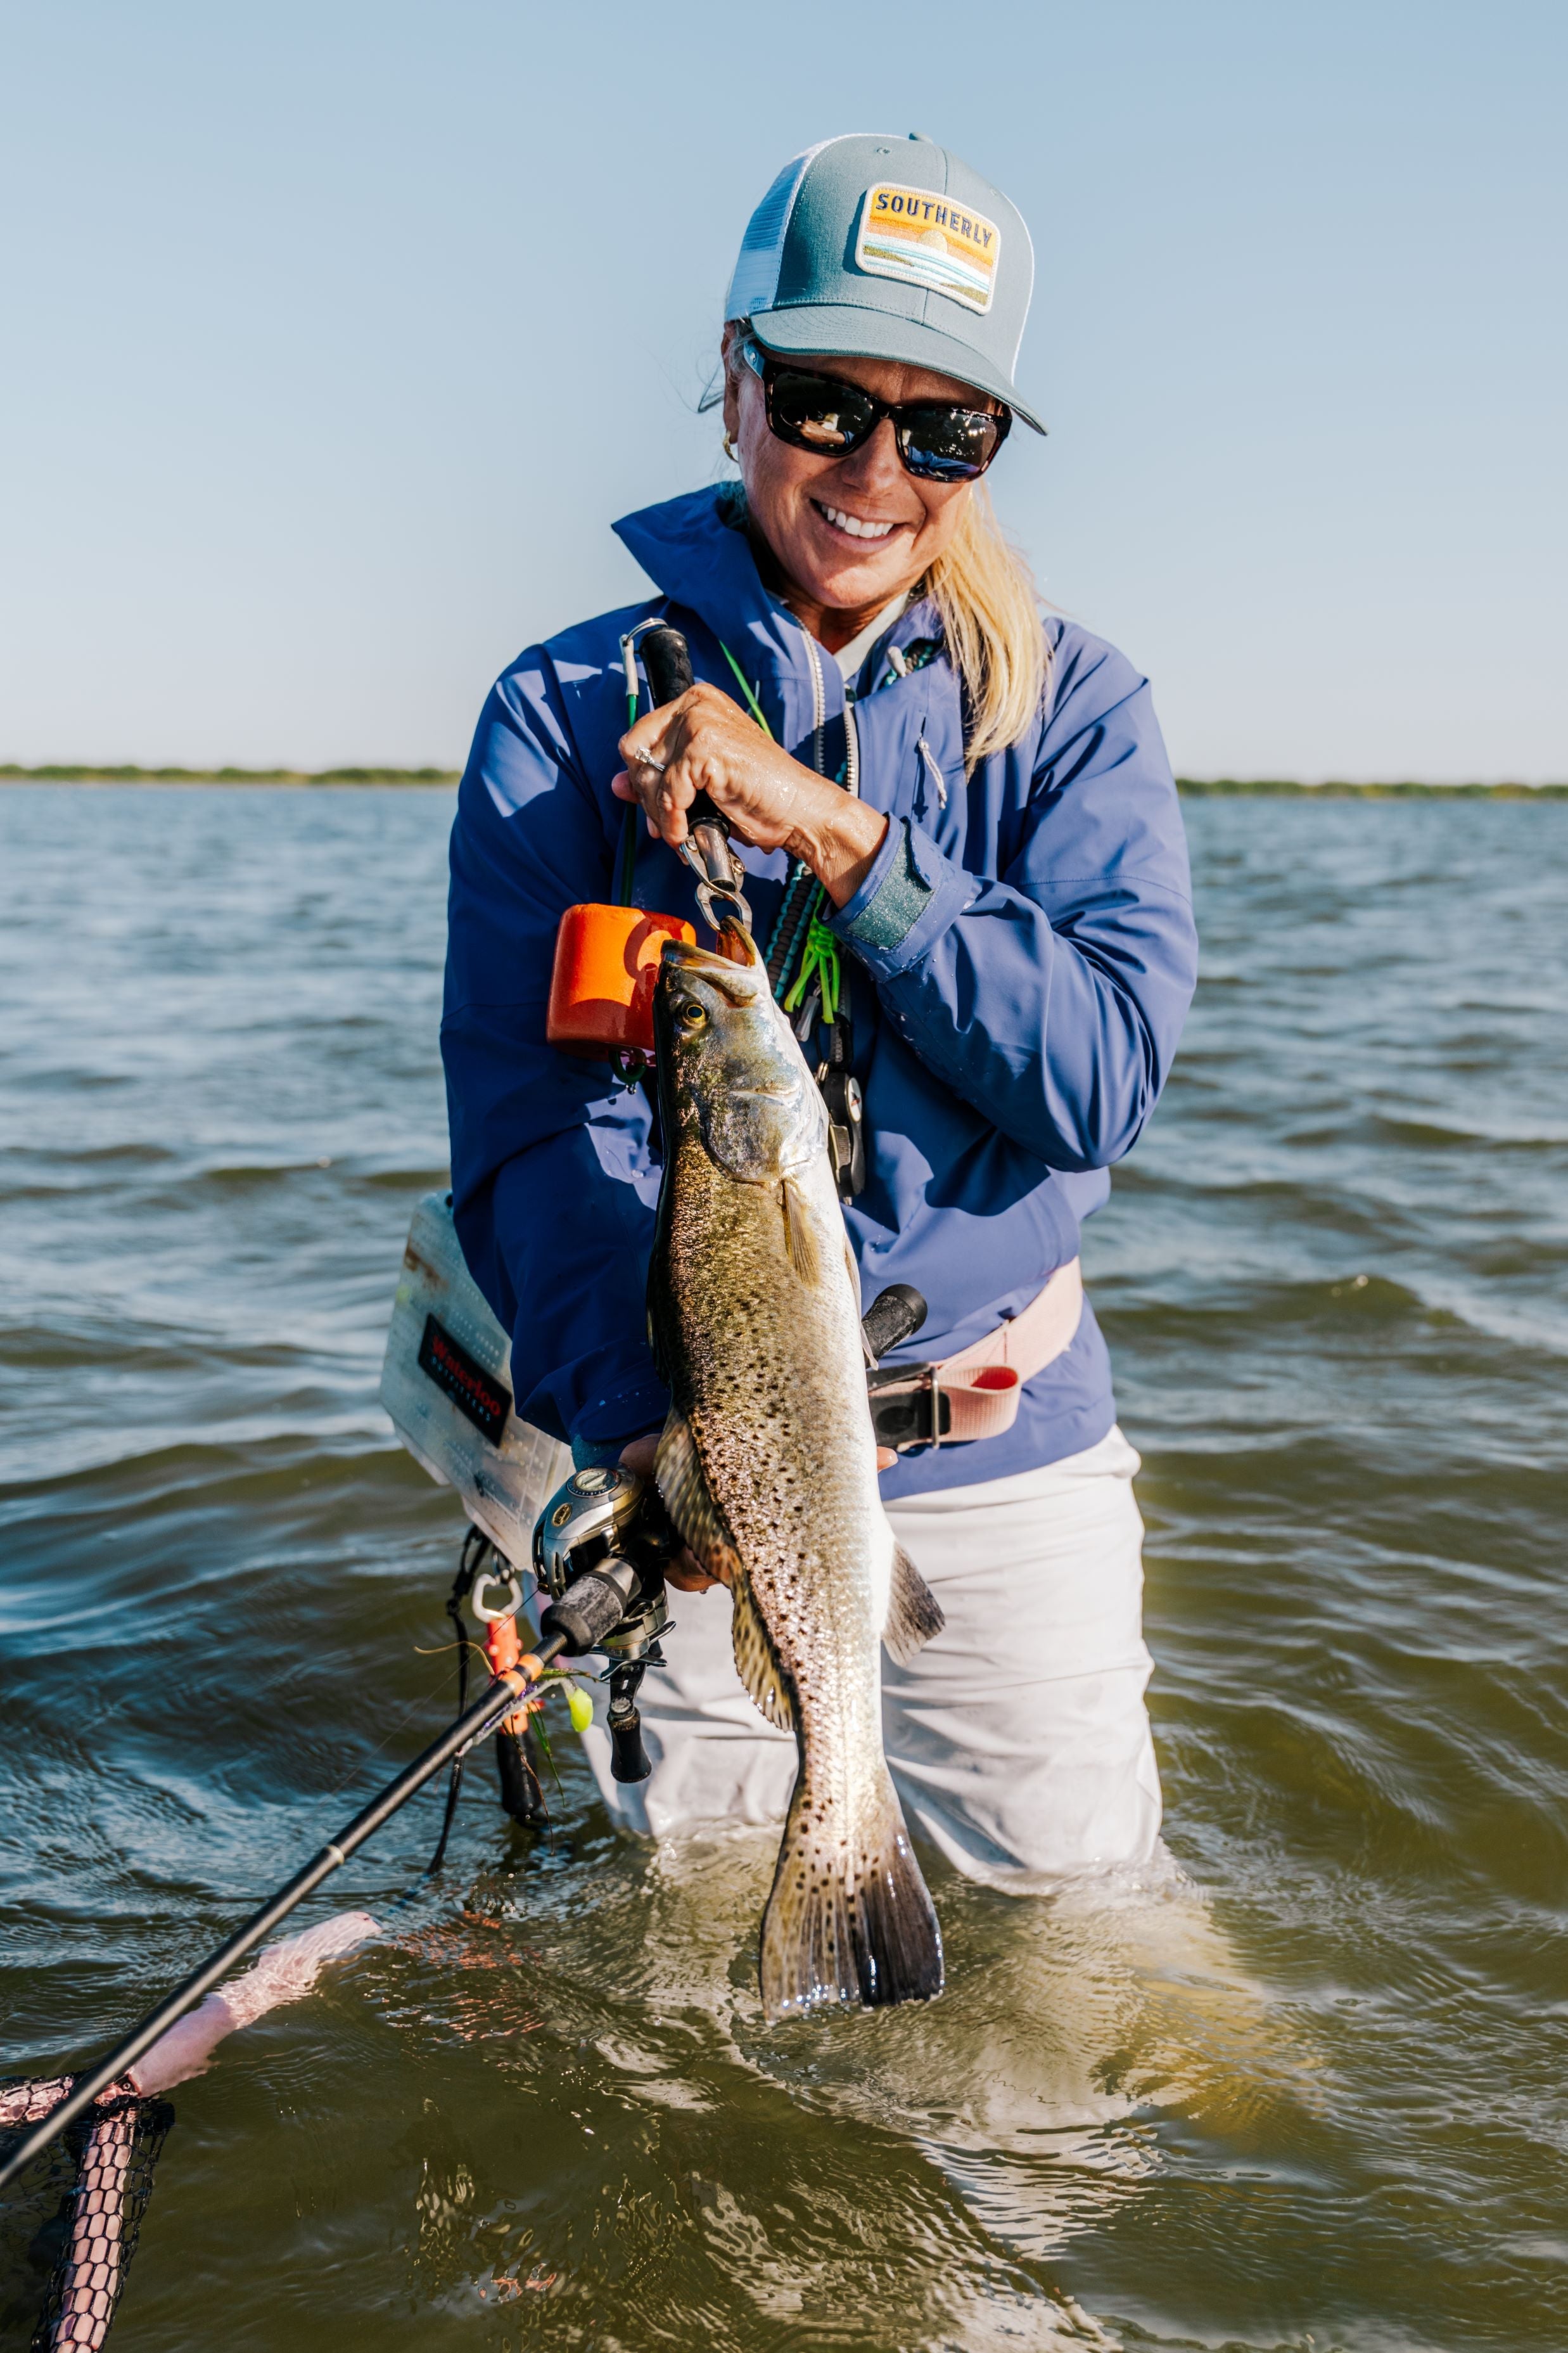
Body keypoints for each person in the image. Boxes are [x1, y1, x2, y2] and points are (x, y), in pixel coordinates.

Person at [442, 132, 1198, 1887]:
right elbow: (528, 1129)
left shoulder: (1073, 710)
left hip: (1003, 1465)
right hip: (696, 1471)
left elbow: (1099, 1079)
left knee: (1082, 1971)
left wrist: (847, 839)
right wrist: (640, 1426)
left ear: (988, 456)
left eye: (944, 429)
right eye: (823, 403)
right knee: (699, 2009)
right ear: (729, 382)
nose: (875, 468)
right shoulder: (560, 713)